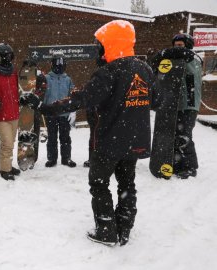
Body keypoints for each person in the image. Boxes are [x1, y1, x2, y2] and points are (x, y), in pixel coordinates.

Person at [22, 20, 159, 246]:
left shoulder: (109, 73)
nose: (99, 50)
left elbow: (80, 100)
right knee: (127, 185)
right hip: (135, 141)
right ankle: (124, 227)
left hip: (109, 142)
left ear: (111, 44)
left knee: (99, 183)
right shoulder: (144, 70)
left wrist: (42, 106)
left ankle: (106, 229)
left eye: (101, 45)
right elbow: (157, 100)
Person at [152, 34, 202, 179]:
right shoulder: (175, 60)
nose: (176, 48)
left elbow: (183, 55)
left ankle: (190, 167)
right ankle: (177, 163)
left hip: (189, 104)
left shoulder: (194, 58)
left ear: (188, 45)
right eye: (175, 45)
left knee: (184, 135)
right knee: (173, 136)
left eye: (180, 45)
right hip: (174, 104)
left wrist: (165, 53)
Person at [0, 43, 21, 180]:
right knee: (7, 143)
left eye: (9, 56)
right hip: (0, 115)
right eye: (5, 56)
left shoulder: (13, 71)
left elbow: (22, 86)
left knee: (11, 143)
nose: (8, 58)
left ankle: (8, 165)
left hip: (14, 113)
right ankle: (4, 170)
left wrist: (30, 70)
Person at [42, 52, 77, 168]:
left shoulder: (68, 79)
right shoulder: (46, 78)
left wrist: (72, 110)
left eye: (61, 65)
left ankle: (66, 158)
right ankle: (52, 159)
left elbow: (72, 95)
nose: (59, 67)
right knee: (52, 137)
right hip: (51, 113)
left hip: (64, 113)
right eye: (57, 65)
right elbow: (42, 94)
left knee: (65, 137)